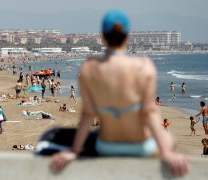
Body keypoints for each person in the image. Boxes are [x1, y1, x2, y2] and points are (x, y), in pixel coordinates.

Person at [50, 10, 188, 176]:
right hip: (141, 146)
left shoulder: (89, 68)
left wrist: (74, 151)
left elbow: (88, 114)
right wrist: (167, 152)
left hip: (107, 146)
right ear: (128, 37)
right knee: (170, 138)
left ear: (102, 37)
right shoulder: (144, 67)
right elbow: (150, 112)